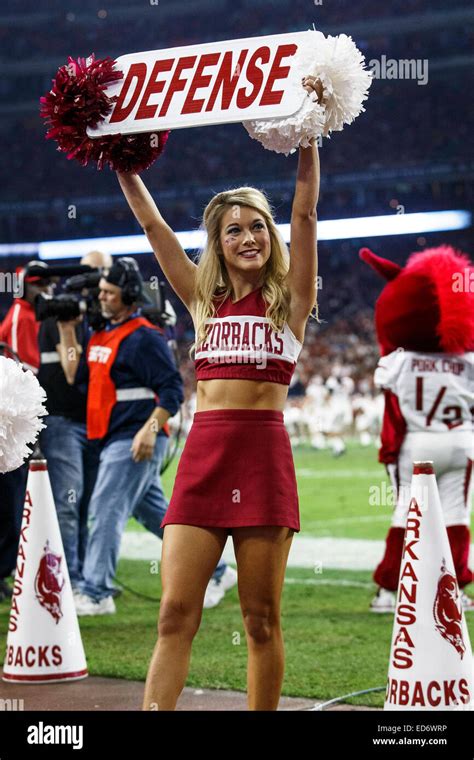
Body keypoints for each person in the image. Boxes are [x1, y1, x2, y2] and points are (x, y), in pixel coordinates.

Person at [117, 75, 321, 710]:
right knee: (175, 614)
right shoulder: (203, 302)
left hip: (262, 460)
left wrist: (309, 134)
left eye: (257, 226)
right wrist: (122, 162)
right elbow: (154, 228)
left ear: (271, 235)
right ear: (219, 243)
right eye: (233, 230)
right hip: (204, 459)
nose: (248, 237)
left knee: (260, 621)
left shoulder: (291, 302)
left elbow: (306, 210)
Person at [38, 250, 111, 593]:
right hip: (64, 420)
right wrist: (69, 330)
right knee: (69, 502)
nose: (98, 281)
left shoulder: (106, 318)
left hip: (95, 422)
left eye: (103, 273)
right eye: (92, 273)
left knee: (86, 503)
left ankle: (83, 576)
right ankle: (70, 581)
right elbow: (71, 372)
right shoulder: (62, 313)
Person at [0, 262, 53, 601]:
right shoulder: (22, 316)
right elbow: (28, 371)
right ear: (24, 288)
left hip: (15, 420)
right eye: (38, 284)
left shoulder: (35, 315)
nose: (45, 290)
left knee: (14, 502)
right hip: (14, 419)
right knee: (11, 501)